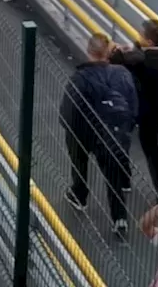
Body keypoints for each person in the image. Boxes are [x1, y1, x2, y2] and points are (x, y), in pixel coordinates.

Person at [61, 34, 138, 235]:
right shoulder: (122, 74)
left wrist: (70, 128)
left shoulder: (80, 78)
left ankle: (79, 194)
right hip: (112, 132)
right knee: (113, 175)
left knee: (79, 163)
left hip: (83, 131)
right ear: (108, 53)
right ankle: (119, 218)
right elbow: (132, 104)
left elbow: (68, 109)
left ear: (89, 51)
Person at [111, 19, 158, 198]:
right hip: (154, 109)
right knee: (151, 147)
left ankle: (124, 179)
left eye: (141, 35)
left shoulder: (140, 60)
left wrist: (119, 50)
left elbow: (118, 60)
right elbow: (141, 54)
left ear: (149, 42)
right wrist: (135, 48)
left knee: (120, 139)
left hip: (133, 106)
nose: (137, 36)